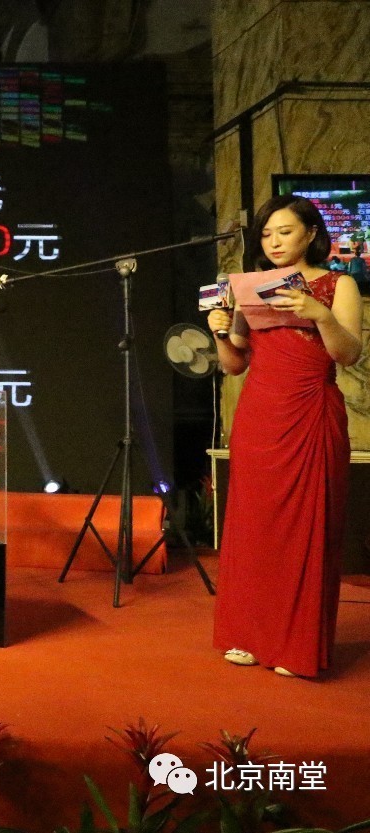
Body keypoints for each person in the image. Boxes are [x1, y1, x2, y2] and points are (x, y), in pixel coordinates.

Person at [208, 195, 363, 679]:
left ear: (311, 234)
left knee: (305, 529)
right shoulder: (251, 287)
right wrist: (219, 332)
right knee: (253, 528)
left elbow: (349, 354)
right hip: (259, 417)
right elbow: (235, 365)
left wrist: (320, 314)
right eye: (267, 234)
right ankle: (248, 636)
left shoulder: (339, 284)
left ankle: (295, 647)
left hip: (311, 412)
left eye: (285, 231)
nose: (273, 242)